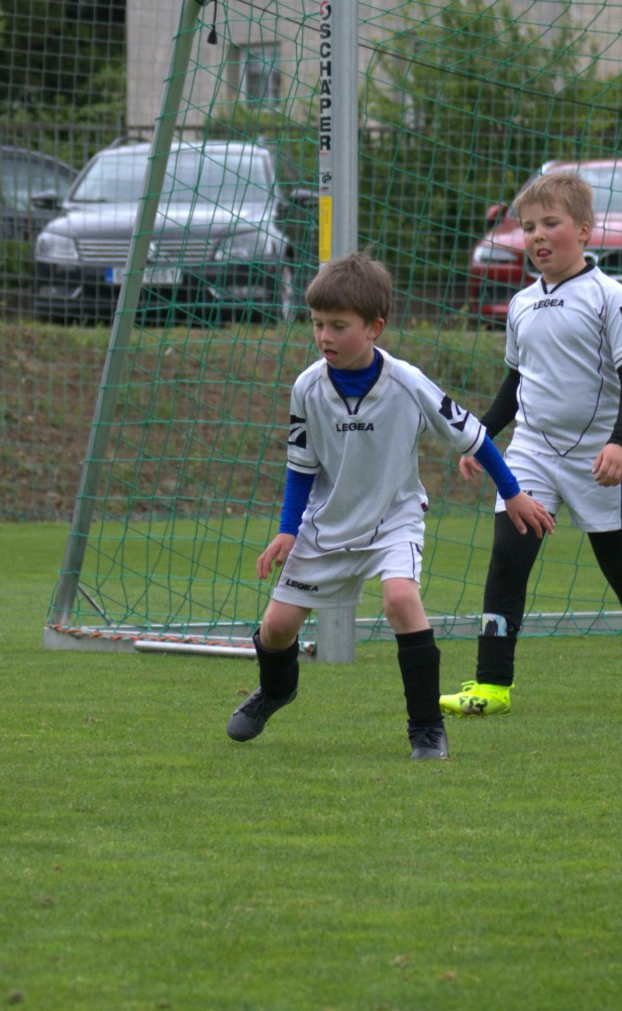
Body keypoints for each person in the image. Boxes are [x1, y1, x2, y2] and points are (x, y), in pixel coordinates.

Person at [226, 254, 554, 760]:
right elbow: (301, 466)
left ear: (374, 328)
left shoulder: (408, 383)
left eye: (339, 326)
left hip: (393, 519)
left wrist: (512, 492)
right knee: (277, 628)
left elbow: (474, 437)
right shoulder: (307, 387)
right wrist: (288, 530)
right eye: (317, 324)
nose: (325, 336)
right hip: (327, 523)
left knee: (401, 599)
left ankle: (426, 729)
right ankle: (276, 690)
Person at [439, 170, 622, 717]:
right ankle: (492, 686)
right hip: (532, 454)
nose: (538, 236)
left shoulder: (611, 297)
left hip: (601, 459)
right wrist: (482, 437)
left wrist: (620, 443)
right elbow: (516, 382)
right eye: (528, 227)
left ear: (585, 231)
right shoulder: (521, 304)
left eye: (551, 223)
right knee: (508, 558)